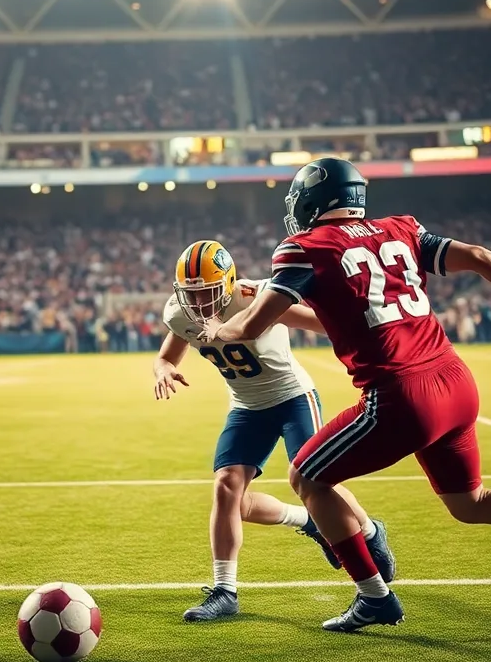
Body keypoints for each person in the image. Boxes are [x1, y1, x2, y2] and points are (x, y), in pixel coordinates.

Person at [200, 158, 491, 632]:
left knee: (308, 478)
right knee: (470, 503)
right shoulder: (402, 229)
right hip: (456, 382)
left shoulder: (303, 247)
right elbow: (478, 257)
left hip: (400, 395)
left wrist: (215, 328)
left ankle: (374, 597)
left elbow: (250, 325)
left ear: (311, 201)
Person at [155, 239, 394, 622]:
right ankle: (225, 590)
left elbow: (321, 323)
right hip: (247, 407)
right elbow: (170, 351)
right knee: (228, 489)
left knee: (318, 481)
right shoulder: (181, 314)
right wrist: (163, 368)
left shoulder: (258, 297)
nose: (198, 304)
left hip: (292, 397)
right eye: (191, 295)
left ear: (230, 284)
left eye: (208, 293)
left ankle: (368, 531)